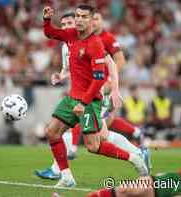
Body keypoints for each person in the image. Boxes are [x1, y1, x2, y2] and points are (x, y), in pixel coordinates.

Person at [42, 5, 148, 187]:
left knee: (93, 146)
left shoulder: (95, 44)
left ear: (92, 20)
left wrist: (84, 103)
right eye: (77, 16)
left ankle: (134, 158)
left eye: (84, 16)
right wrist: (46, 20)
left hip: (90, 101)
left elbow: (99, 79)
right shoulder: (71, 35)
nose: (79, 19)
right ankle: (66, 177)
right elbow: (50, 33)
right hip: (72, 98)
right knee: (52, 132)